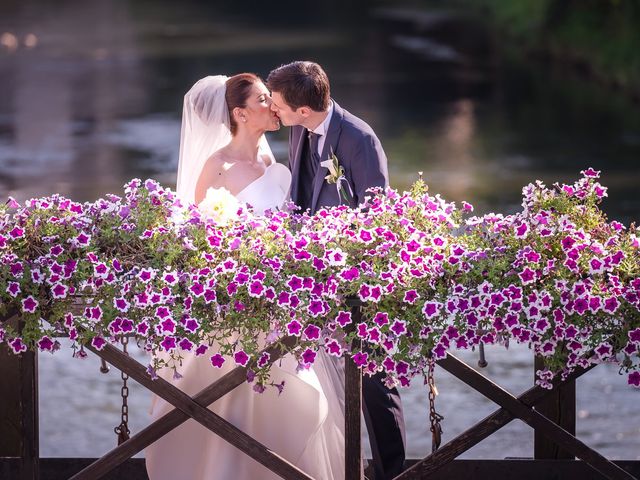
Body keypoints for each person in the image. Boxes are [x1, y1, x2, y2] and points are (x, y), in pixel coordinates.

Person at [145, 74, 345, 480]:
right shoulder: (216, 167)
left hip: (281, 311)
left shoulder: (277, 162)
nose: (274, 105)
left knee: (288, 408)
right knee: (229, 407)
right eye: (263, 99)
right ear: (239, 113)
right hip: (237, 312)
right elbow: (194, 243)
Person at [268, 61, 407, 480]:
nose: (275, 111)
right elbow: (303, 195)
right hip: (313, 280)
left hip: (359, 287)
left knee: (375, 384)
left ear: (303, 110)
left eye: (278, 105)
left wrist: (356, 278)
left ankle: (391, 474)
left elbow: (377, 218)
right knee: (324, 381)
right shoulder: (300, 128)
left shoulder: (359, 139)